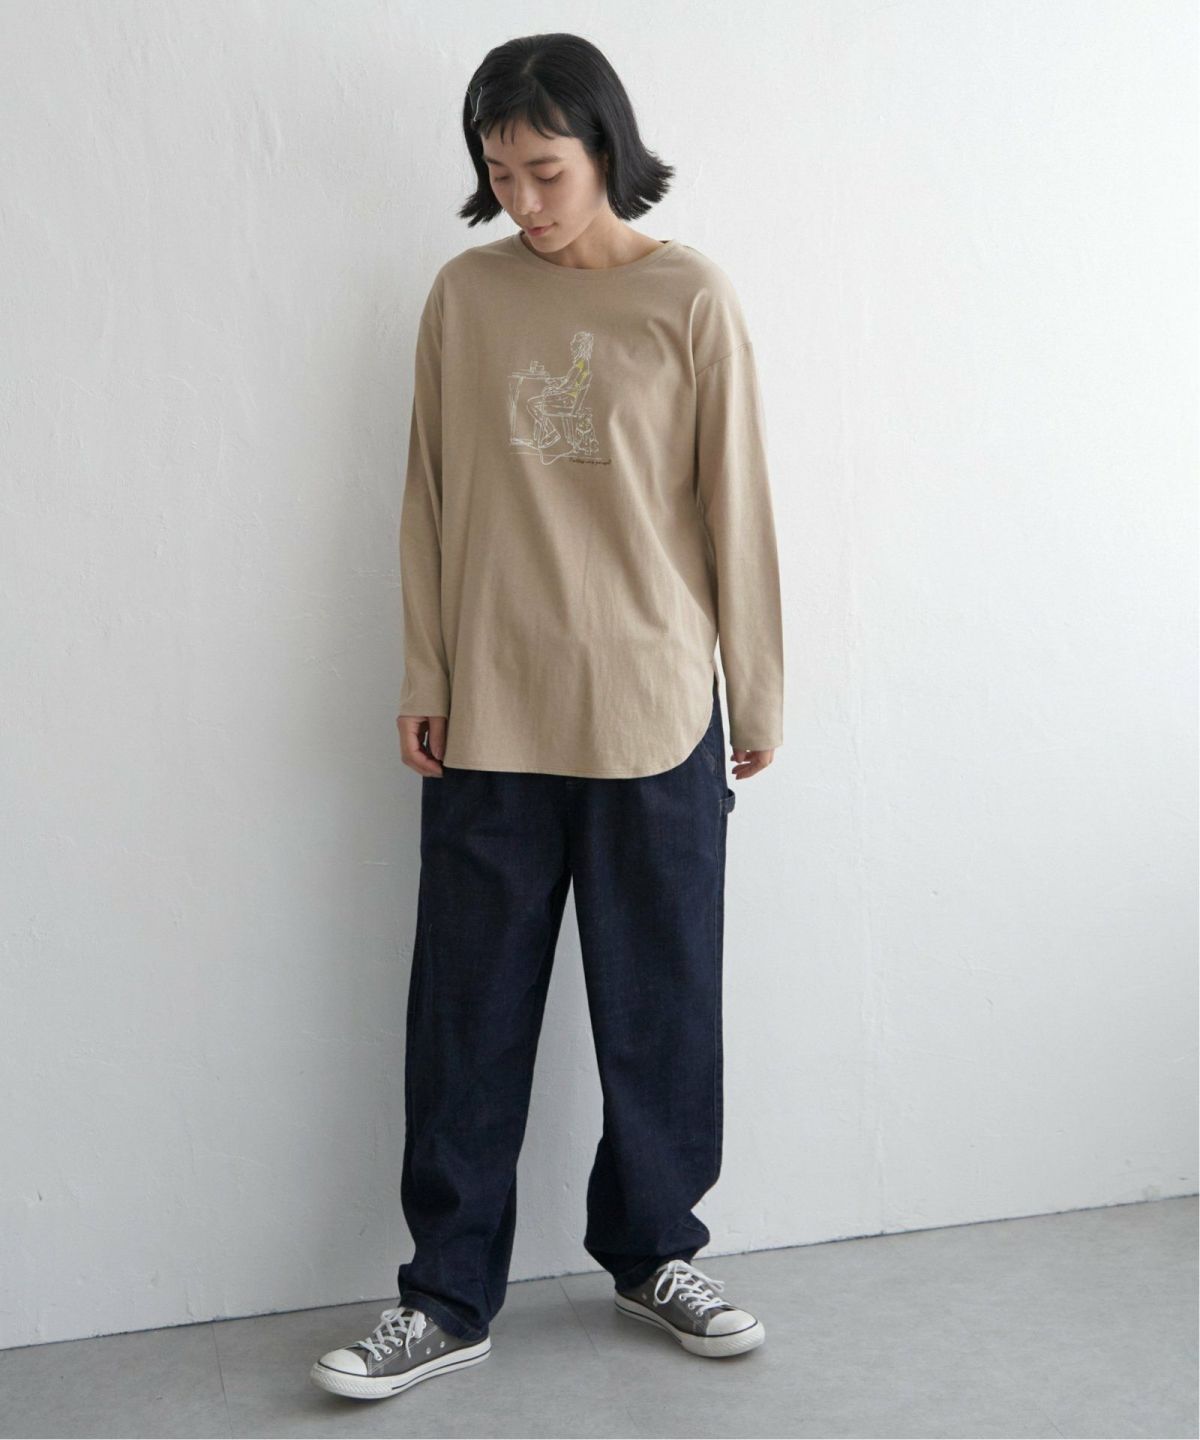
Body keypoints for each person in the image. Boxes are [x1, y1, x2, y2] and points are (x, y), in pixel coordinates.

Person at [310, 31, 784, 1402]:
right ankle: (445, 1297)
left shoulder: (690, 298)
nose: (521, 199)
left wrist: (753, 685)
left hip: (651, 706)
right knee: (467, 1020)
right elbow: (428, 498)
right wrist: (425, 672)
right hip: (495, 712)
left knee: (662, 1009)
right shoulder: (464, 298)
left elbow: (736, 504)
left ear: (605, 151)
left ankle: (655, 1254)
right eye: (499, 172)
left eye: (546, 170)